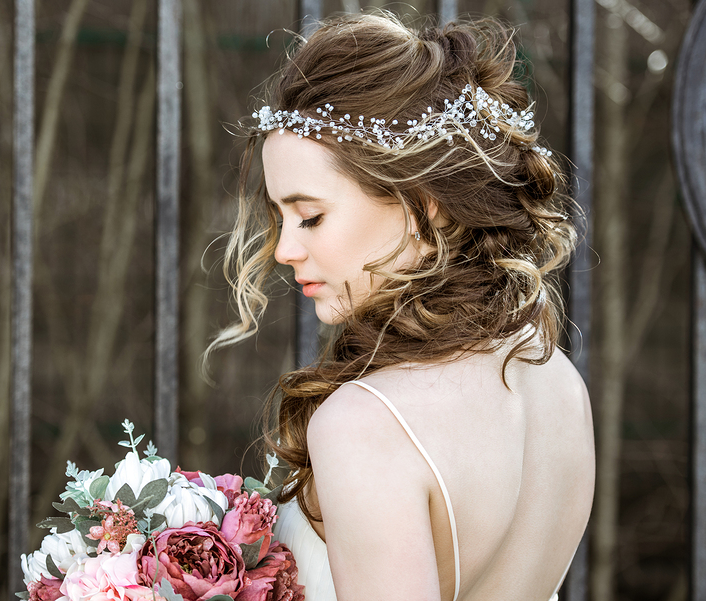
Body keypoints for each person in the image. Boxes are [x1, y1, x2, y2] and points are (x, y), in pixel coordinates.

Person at [209, 11, 595, 601]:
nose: (285, 249)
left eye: (310, 215)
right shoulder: (558, 384)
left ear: (424, 202)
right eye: (279, 217)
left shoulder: (365, 424)